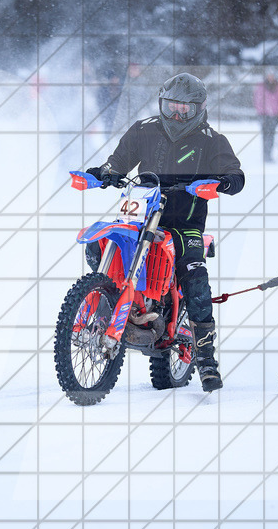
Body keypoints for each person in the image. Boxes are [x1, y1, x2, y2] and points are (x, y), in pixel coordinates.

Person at [83, 72, 246, 392]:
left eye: (184, 109)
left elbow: (236, 176)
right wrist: (107, 173)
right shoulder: (144, 129)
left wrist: (222, 183)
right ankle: (110, 303)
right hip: (142, 212)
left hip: (185, 223)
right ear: (161, 103)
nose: (176, 114)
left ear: (198, 109)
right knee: (98, 245)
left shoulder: (212, 140)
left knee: (195, 277)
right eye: (171, 106)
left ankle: (207, 359)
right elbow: (119, 161)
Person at [253, 70, 278, 162]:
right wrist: (261, 111)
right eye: (269, 75)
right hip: (264, 115)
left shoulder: (277, 87)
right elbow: (257, 100)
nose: (271, 77)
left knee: (272, 136)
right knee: (265, 136)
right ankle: (265, 155)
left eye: (272, 75)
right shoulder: (261, 86)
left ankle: (269, 155)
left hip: (274, 115)